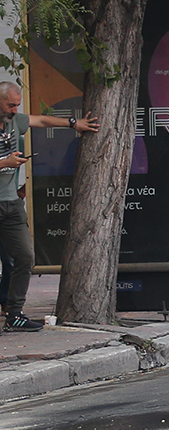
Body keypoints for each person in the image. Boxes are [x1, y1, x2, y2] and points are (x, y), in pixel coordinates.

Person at [0, 81, 99, 332]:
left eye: (16, 105)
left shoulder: (15, 121)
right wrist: (5, 162)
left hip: (10, 204)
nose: (14, 110)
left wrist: (74, 124)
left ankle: (15, 314)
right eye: (10, 105)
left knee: (25, 256)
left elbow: (41, 121)